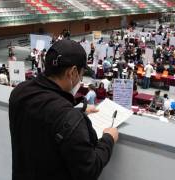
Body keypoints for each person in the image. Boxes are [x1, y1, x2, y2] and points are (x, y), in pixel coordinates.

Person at [9, 40, 118, 180]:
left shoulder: (20, 92)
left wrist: (77, 113)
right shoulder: (67, 117)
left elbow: (44, 119)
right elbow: (89, 169)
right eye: (81, 73)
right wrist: (108, 139)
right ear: (72, 72)